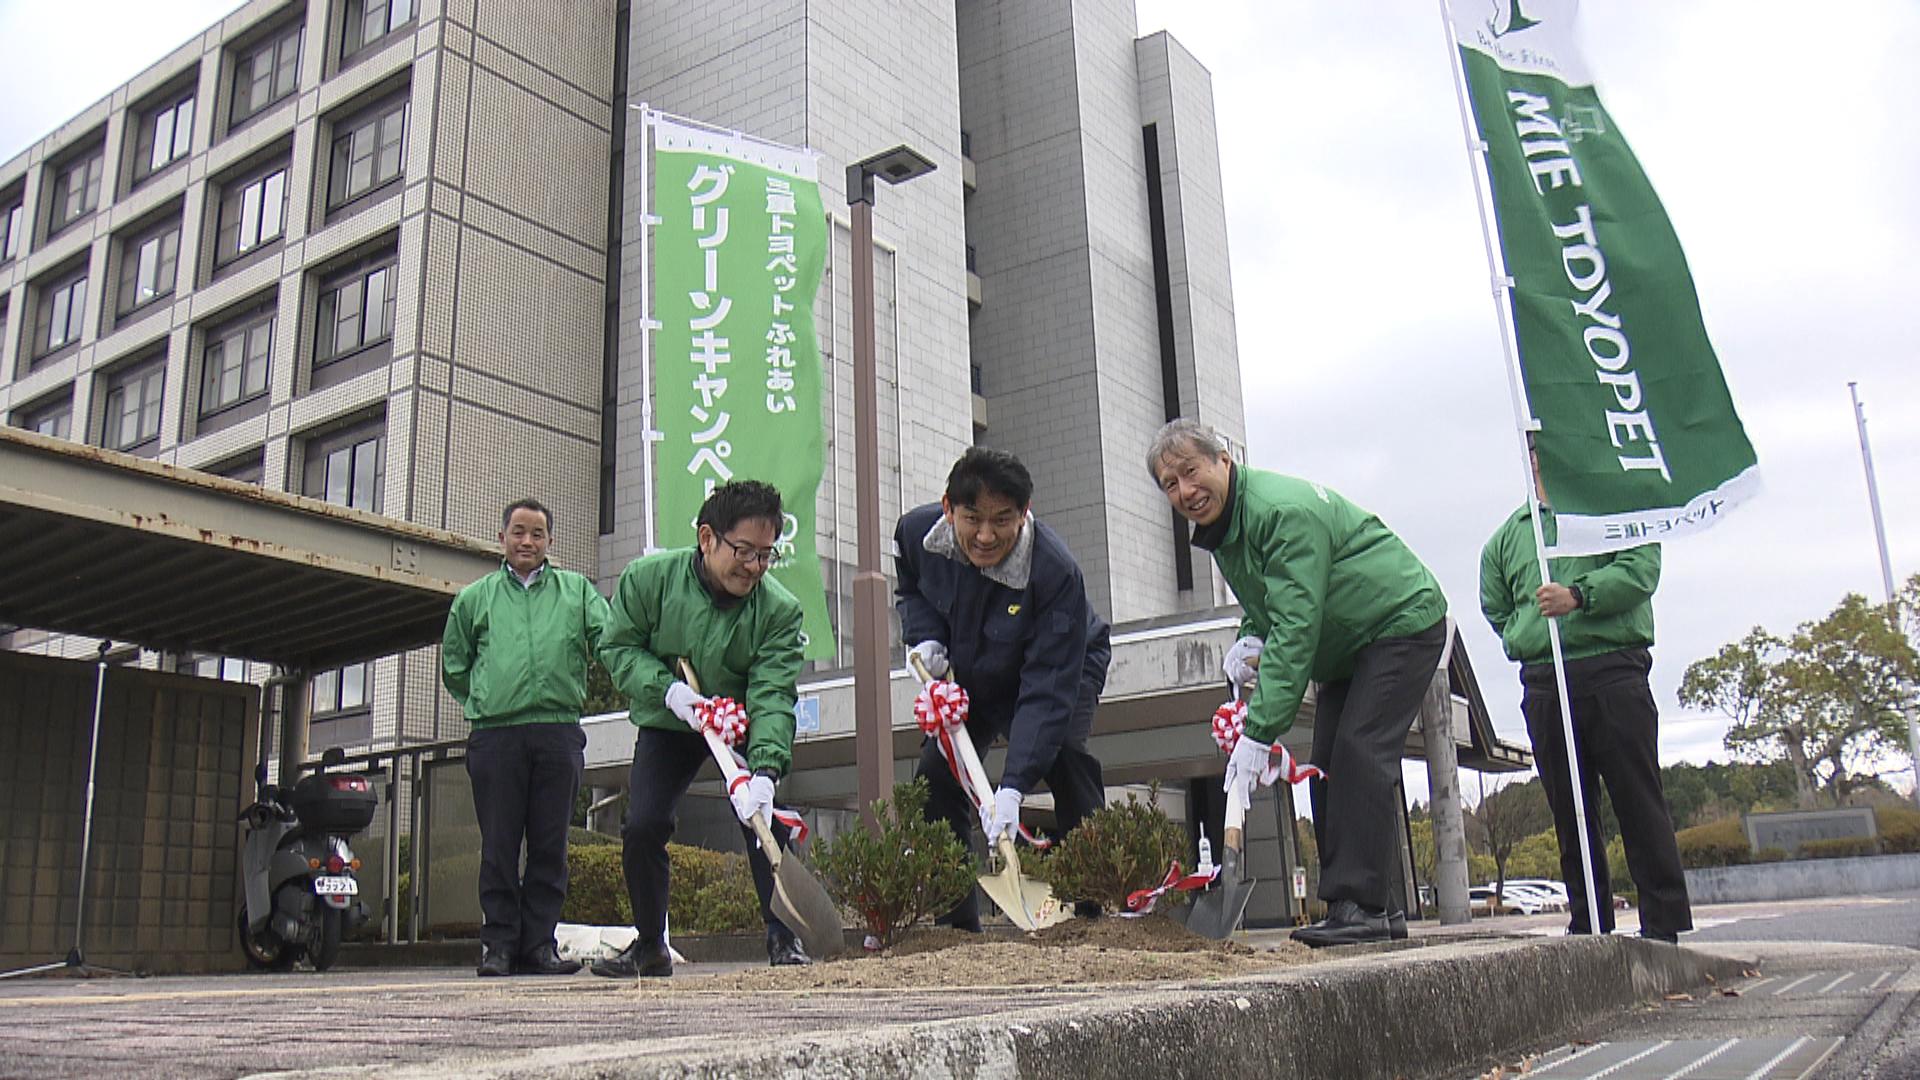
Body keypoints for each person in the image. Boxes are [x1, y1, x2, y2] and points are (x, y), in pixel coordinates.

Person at [1147, 418, 1448, 947]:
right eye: (1170, 485)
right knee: (1329, 765)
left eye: (1191, 472)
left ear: (1223, 460)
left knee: (1360, 750)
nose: (1185, 492)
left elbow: (1297, 622)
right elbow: (1273, 604)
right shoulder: (1229, 529)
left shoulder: (1278, 512)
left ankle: (1363, 909)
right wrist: (1249, 637)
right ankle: (1373, 906)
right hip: (1348, 643)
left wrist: (1259, 731)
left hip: (1398, 620)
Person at [591, 480, 809, 977]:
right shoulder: (648, 581)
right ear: (707, 537)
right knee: (643, 825)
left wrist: (767, 771)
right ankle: (650, 944)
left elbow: (773, 694)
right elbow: (618, 648)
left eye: (766, 555)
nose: (753, 566)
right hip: (670, 715)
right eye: (743, 551)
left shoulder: (778, 611)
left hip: (740, 719)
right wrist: (667, 690)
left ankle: (784, 938)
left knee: (764, 822)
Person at [1478, 438, 1692, 943]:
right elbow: (1495, 604)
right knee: (1569, 808)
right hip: (1547, 680)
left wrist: (1579, 597)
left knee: (1637, 797)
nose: (1542, 460)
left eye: (1550, 447)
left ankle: (1662, 924)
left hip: (1614, 670)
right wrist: (1522, 634)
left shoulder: (1614, 510)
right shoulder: (1508, 538)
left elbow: (1641, 572)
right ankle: (1589, 921)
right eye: (1533, 451)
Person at [895, 447, 1111, 930]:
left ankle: (1092, 906)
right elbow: (911, 587)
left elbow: (1046, 690)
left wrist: (1012, 788)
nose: (986, 536)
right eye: (972, 518)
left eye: (1002, 520)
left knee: (1064, 757)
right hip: (972, 668)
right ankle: (955, 919)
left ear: (1025, 513)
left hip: (1059, 665)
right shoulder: (917, 535)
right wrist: (925, 636)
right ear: (948, 508)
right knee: (936, 772)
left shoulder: (1055, 572)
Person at [441, 499, 611, 977]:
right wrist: (484, 698)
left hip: (558, 731)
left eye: (537, 533)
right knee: (498, 845)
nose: (527, 542)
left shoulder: (577, 592)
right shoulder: (475, 599)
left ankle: (538, 945)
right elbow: (454, 664)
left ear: (550, 542)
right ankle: (497, 945)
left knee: (549, 845)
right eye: (518, 531)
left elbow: (609, 641)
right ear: (502, 538)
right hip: (495, 735)